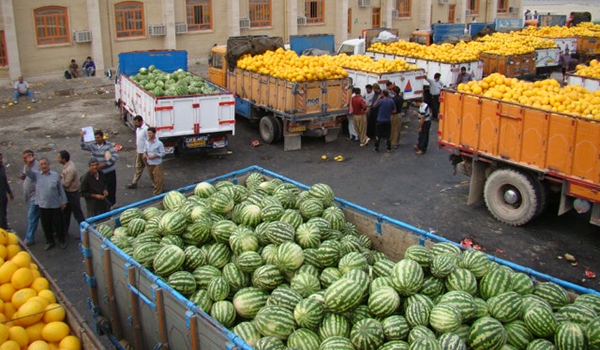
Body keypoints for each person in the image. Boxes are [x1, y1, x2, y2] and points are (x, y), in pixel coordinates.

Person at [25, 157, 67, 250]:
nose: (43, 166)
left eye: (45, 164)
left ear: (48, 165)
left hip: (55, 204)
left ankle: (62, 241)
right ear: (39, 166)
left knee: (59, 224)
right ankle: (49, 242)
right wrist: (28, 163)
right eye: (41, 164)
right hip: (43, 205)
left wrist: (64, 201)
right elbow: (27, 172)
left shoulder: (55, 175)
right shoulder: (36, 175)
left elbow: (60, 189)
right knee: (46, 225)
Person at [80, 129, 119, 207]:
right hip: (100, 173)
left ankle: (112, 205)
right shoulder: (93, 145)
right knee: (102, 189)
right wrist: (82, 137)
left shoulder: (108, 145)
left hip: (109, 171)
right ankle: (105, 206)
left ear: (102, 137)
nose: (97, 139)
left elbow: (115, 157)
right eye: (96, 138)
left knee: (111, 189)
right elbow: (83, 146)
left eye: (98, 137)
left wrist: (104, 164)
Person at [57, 150, 85, 237]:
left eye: (59, 158)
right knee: (66, 213)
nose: (57, 160)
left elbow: (66, 184)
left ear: (64, 159)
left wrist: (57, 181)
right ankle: (64, 231)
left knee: (78, 214)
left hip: (72, 193)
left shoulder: (70, 169)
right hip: (69, 193)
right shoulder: (68, 165)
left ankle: (85, 232)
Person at [19, 150, 39, 245]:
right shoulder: (26, 164)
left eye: (27, 157)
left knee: (32, 217)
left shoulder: (36, 166)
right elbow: (26, 174)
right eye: (24, 158)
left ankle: (29, 238)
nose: (25, 159)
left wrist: (28, 165)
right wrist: (23, 176)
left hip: (36, 197)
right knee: (41, 216)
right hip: (30, 196)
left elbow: (33, 176)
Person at [127, 116, 149, 189]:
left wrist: (146, 152)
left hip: (145, 153)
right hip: (139, 151)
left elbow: (148, 141)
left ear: (141, 121)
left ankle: (156, 183)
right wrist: (137, 149)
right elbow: (138, 140)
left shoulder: (145, 129)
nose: (136, 124)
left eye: (136, 122)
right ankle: (134, 182)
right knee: (138, 167)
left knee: (150, 168)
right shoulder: (138, 130)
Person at [144, 127, 165, 196]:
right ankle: (156, 187)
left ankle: (157, 193)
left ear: (154, 134)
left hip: (156, 163)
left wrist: (154, 156)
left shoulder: (159, 143)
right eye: (148, 133)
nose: (149, 135)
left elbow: (162, 153)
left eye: (150, 133)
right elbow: (145, 149)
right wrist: (144, 153)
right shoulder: (147, 141)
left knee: (158, 178)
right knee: (152, 176)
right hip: (149, 162)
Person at [0, 153, 14, 230]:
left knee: (3, 212)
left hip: (3, 195)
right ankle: (3, 228)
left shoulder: (2, 168)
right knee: (1, 213)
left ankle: (4, 227)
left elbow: (5, 181)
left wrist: (9, 192)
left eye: (1, 159)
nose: (1, 160)